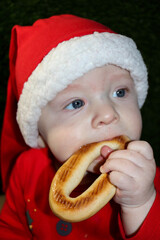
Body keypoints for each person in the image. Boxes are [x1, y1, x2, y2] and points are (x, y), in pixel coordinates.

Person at [0, 14, 159, 240]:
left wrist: (141, 204)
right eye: (76, 103)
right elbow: (10, 228)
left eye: (120, 92)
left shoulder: (145, 179)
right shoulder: (26, 170)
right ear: (40, 135)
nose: (108, 114)